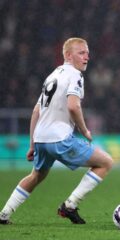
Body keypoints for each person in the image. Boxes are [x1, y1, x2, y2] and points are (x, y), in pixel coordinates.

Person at [0, 37, 113, 225]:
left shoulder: (52, 75)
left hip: (42, 139)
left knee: (37, 175)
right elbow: (73, 107)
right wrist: (84, 130)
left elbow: (37, 110)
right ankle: (70, 205)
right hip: (59, 138)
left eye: (87, 53)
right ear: (68, 55)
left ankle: (4, 214)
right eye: (81, 53)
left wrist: (32, 144)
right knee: (105, 163)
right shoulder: (75, 75)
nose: (87, 57)